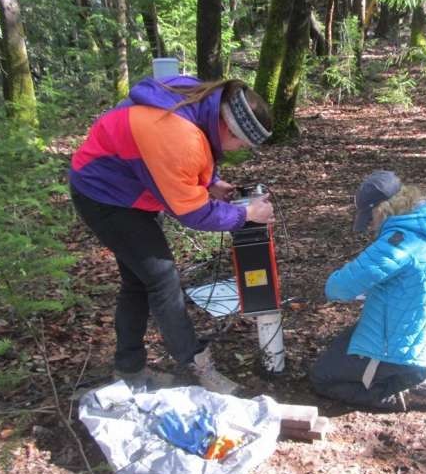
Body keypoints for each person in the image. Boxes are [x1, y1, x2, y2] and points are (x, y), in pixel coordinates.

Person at [69, 75, 275, 395]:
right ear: (228, 126)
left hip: (125, 184)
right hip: (105, 194)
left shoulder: (201, 100)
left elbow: (186, 156)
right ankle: (196, 364)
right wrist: (246, 214)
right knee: (162, 278)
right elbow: (193, 212)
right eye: (241, 144)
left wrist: (211, 182)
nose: (239, 150)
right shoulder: (177, 136)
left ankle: (129, 372)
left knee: (139, 281)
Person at [310, 170, 426, 411]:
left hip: (412, 344)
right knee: (342, 345)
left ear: (381, 209)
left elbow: (339, 287)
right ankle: (422, 371)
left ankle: (413, 391)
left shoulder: (399, 240)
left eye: (371, 218)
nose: (371, 226)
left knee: (322, 376)